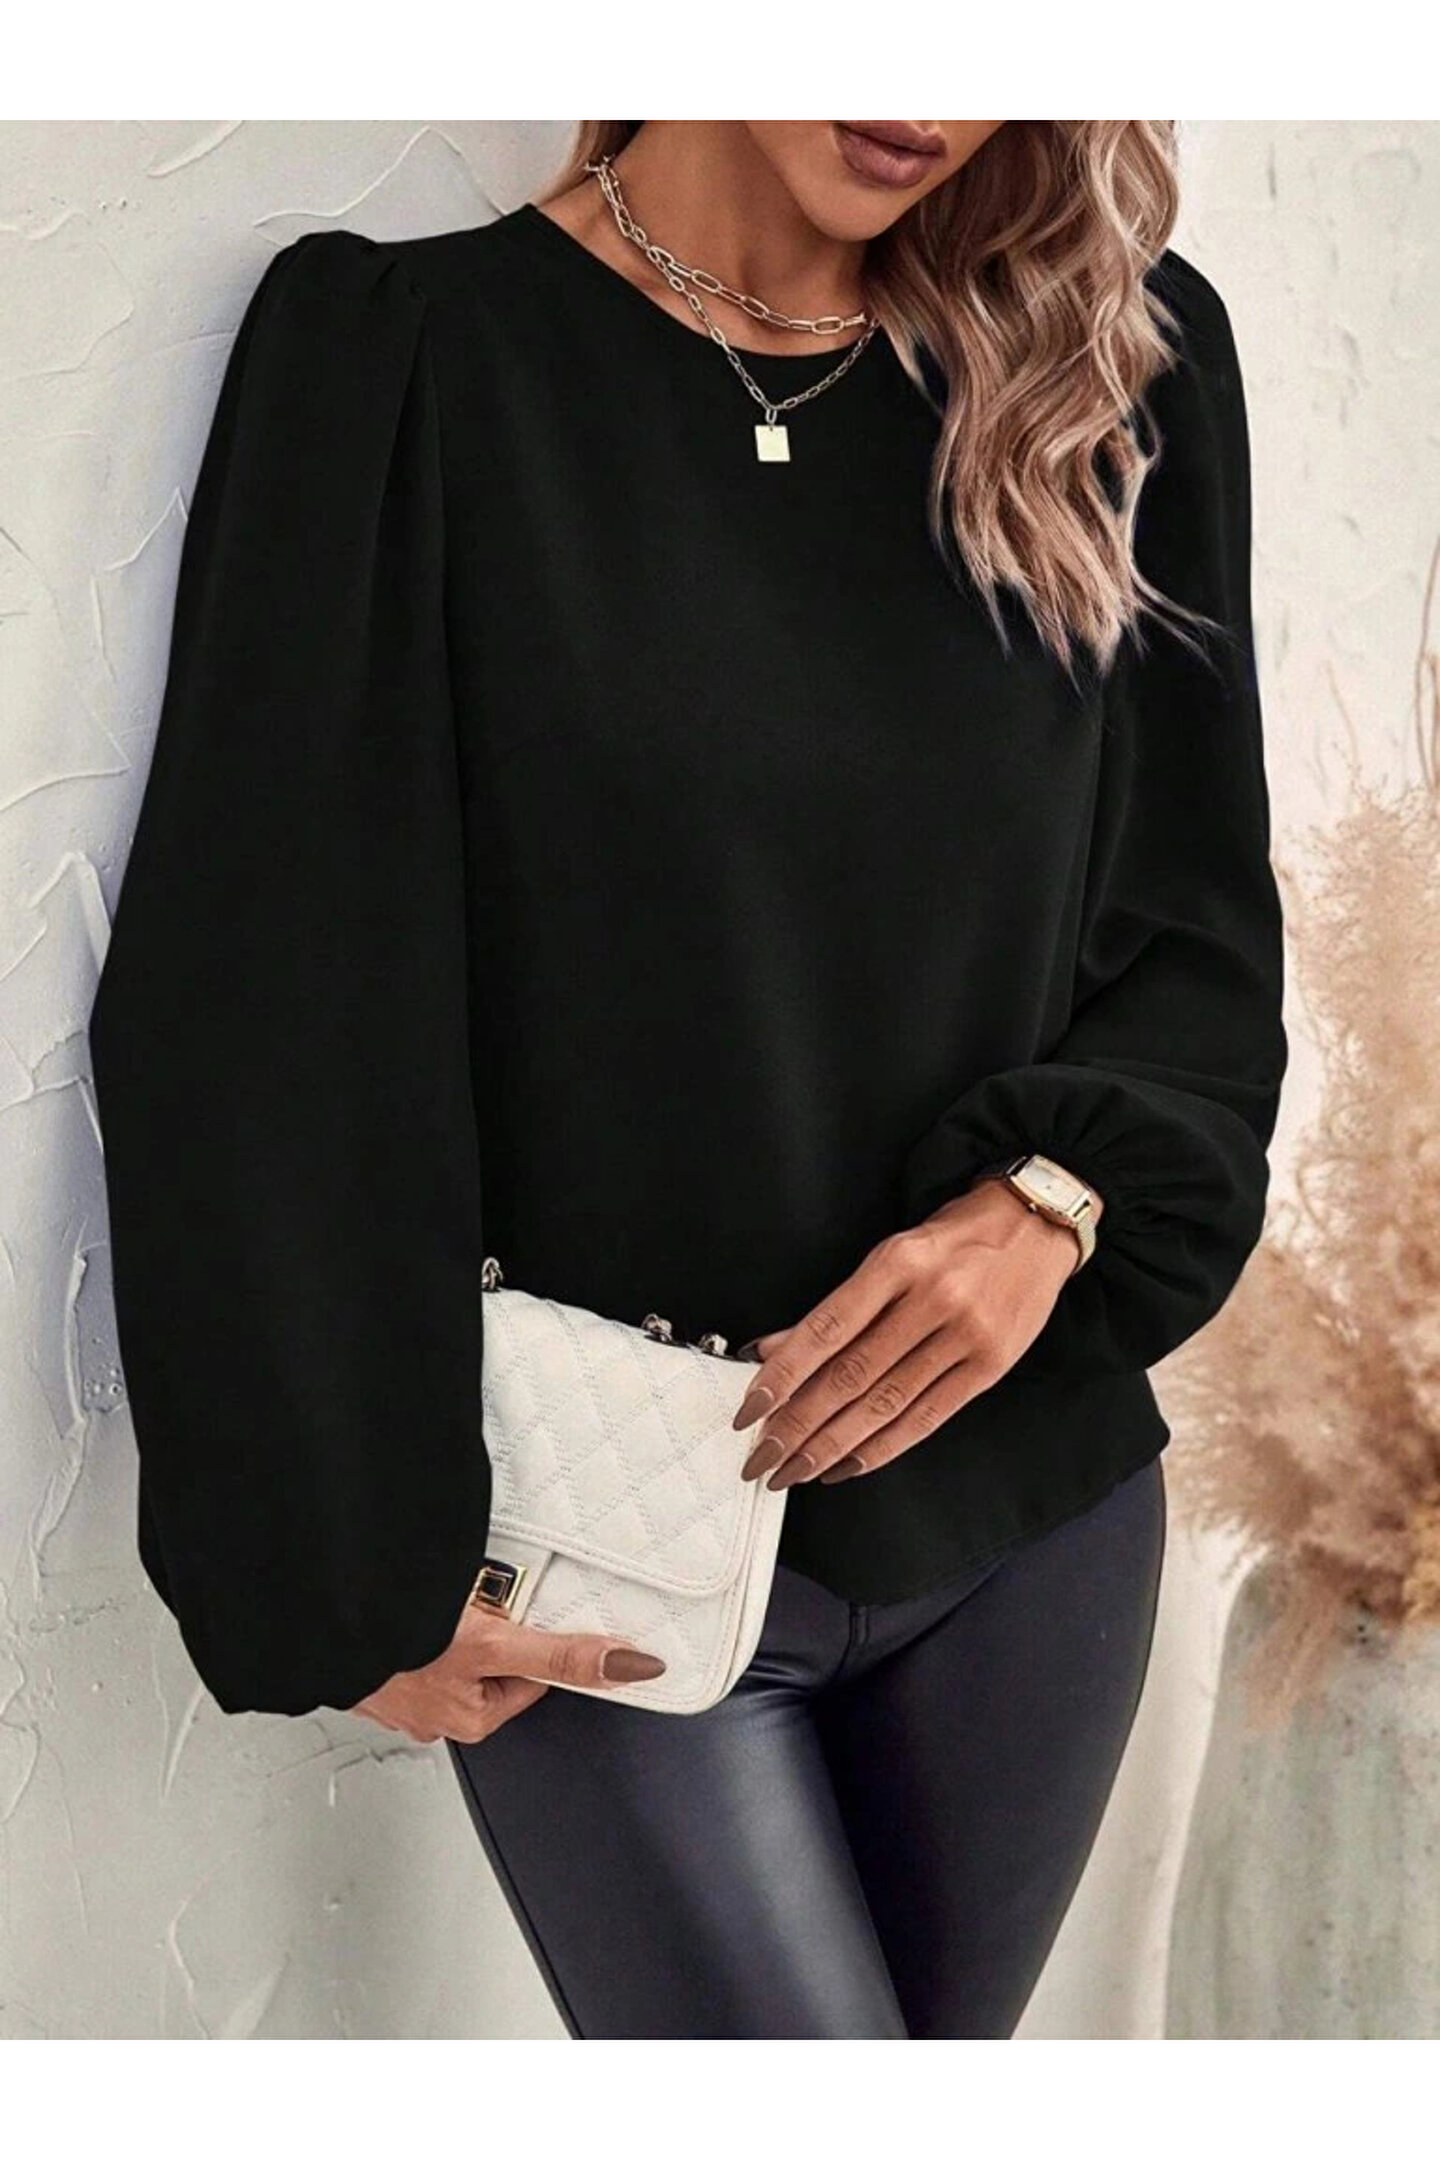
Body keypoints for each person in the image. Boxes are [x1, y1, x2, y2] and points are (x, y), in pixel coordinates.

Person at [86, 120, 1288, 2038]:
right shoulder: (406, 359)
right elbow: (255, 1002)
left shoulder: (1107, 360)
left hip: (1029, 1517)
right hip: (610, 1545)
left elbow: (1197, 923)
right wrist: (322, 1560)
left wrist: (1056, 1203)